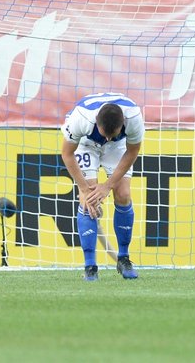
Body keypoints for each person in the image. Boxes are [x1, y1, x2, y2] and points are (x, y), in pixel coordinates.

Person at [60, 92, 145, 281]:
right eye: (104, 134)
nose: (106, 139)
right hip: (86, 144)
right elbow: (67, 154)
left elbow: (133, 151)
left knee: (123, 194)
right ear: (97, 124)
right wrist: (83, 188)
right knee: (88, 200)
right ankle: (90, 266)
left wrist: (108, 185)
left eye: (111, 134)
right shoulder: (81, 118)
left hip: (119, 147)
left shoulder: (133, 117)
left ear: (122, 125)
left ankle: (123, 259)